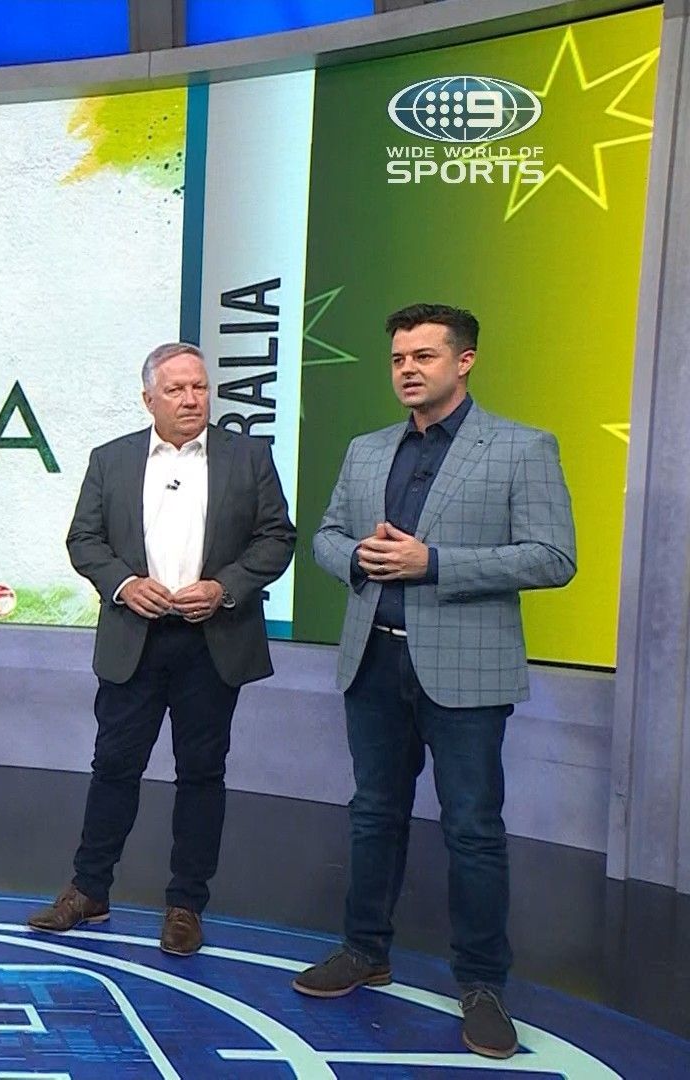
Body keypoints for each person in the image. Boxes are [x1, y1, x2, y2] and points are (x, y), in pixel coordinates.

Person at [293, 304, 576, 1060]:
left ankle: (481, 985)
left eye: (423, 356)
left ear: (465, 360)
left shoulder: (521, 447)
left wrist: (434, 564)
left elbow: (554, 557)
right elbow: (325, 536)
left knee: (472, 830)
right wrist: (357, 558)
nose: (408, 370)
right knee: (373, 814)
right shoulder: (366, 450)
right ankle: (364, 949)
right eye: (398, 359)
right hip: (373, 661)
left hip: (467, 671)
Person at [29, 342, 295, 956]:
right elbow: (84, 540)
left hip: (213, 642)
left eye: (199, 387)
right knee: (113, 767)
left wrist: (225, 588)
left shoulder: (250, 457)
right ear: (149, 398)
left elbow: (276, 537)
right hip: (135, 641)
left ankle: (185, 905)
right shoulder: (111, 459)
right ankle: (89, 890)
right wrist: (124, 584)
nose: (191, 399)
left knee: (201, 773)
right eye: (176, 390)